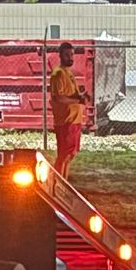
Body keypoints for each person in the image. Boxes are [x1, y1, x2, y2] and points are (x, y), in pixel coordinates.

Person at [47, 42, 88, 173]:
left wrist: (83, 96)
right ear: (60, 55)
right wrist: (78, 100)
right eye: (67, 55)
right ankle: (58, 182)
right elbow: (59, 98)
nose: (70, 58)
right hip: (66, 120)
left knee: (71, 154)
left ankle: (64, 181)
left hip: (75, 119)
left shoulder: (68, 73)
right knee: (64, 155)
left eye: (71, 55)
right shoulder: (58, 74)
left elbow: (72, 94)